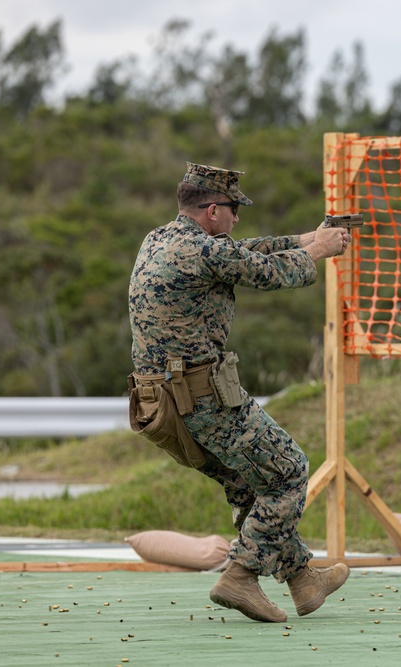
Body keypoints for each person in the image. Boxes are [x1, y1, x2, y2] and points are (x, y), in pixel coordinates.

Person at [128, 162, 351, 623]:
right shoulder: (205, 252)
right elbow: (267, 272)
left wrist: (308, 239)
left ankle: (302, 579)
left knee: (249, 482)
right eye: (233, 210)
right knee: (289, 472)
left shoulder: (161, 240)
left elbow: (249, 251)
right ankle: (240, 577)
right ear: (212, 211)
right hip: (199, 394)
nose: (237, 219)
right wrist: (320, 251)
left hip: (158, 402)